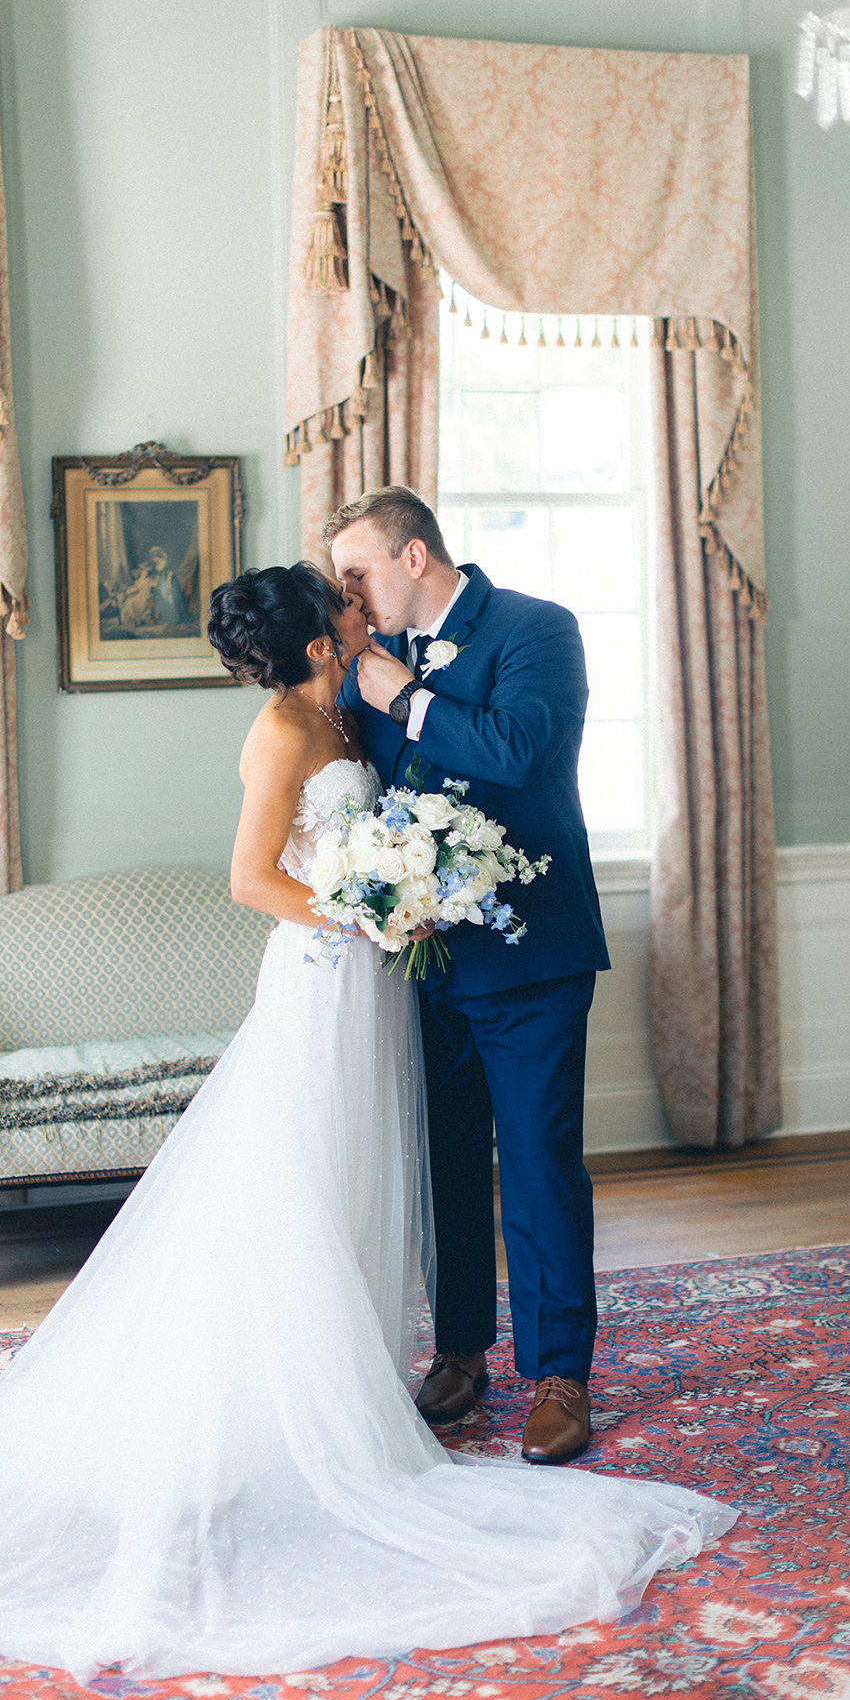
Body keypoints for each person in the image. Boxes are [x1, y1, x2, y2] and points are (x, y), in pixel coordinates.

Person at [0, 564, 733, 1682]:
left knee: (362, 1174)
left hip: (378, 986)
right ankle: (280, 1407)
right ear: (318, 641)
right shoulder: (283, 731)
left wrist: (394, 902)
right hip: (325, 977)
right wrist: (371, 914)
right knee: (294, 1179)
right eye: (341, 603)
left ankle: (364, 1377)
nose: (357, 607)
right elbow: (251, 879)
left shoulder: (348, 708)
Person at [327, 486, 610, 1465]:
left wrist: (403, 697)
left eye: (357, 571)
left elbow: (519, 752)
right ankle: (459, 1350)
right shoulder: (368, 656)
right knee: (443, 1158)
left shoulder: (538, 629)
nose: (349, 593)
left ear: (413, 556)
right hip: (421, 954)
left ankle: (560, 1374)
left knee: (537, 1159)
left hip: (531, 950)